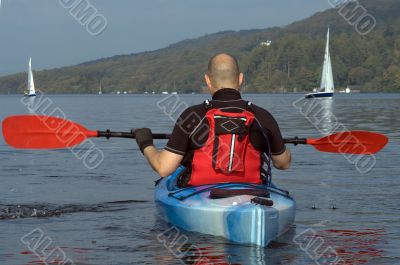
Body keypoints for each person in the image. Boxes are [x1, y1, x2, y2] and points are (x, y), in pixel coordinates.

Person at [134, 53, 291, 186]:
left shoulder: (191, 116)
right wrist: (278, 144)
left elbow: (163, 167)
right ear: (241, 78)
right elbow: (283, 163)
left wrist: (145, 143)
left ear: (207, 80)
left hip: (201, 196)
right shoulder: (262, 116)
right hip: (250, 194)